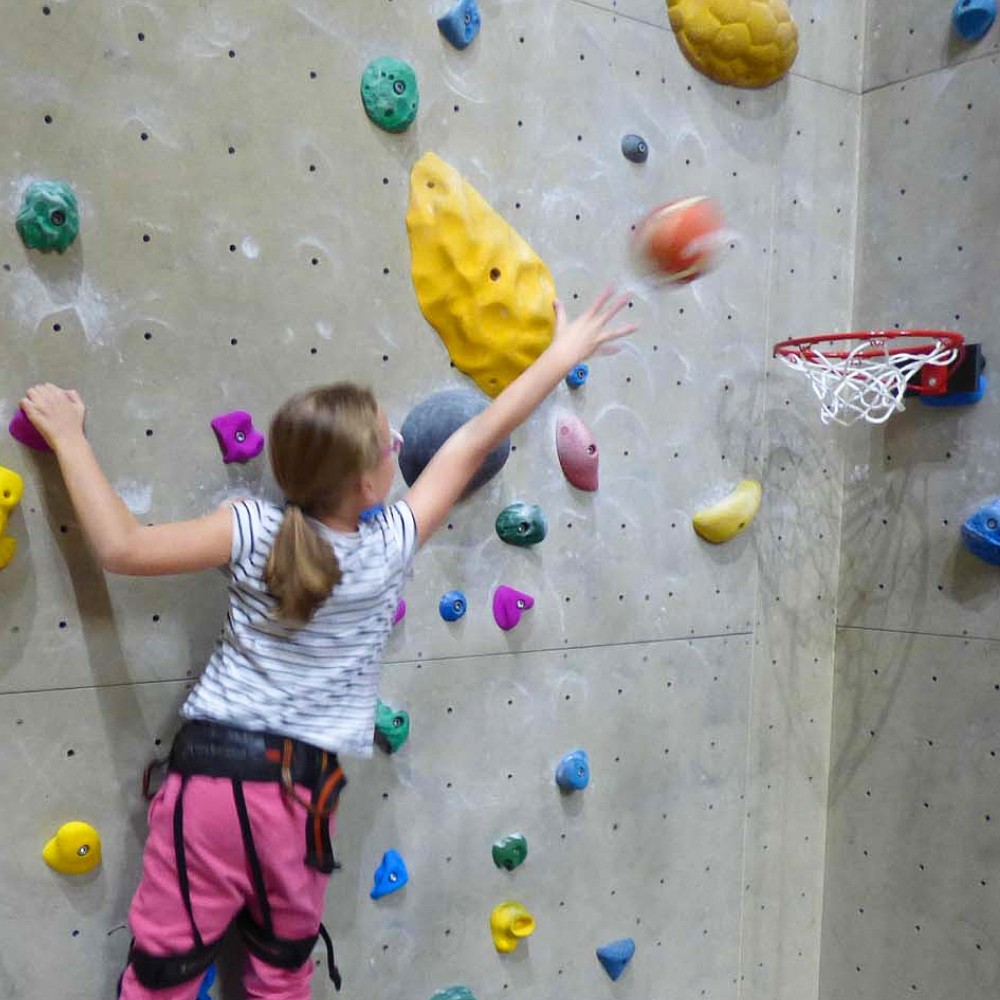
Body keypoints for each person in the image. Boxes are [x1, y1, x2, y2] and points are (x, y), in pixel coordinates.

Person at [20, 289, 636, 1000]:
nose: (400, 443)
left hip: (214, 786)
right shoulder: (388, 547)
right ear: (365, 480)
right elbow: (471, 443)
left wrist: (68, 437)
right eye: (388, 442)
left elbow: (121, 547)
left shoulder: (249, 528)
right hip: (300, 797)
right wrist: (560, 357)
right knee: (281, 980)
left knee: (162, 980)